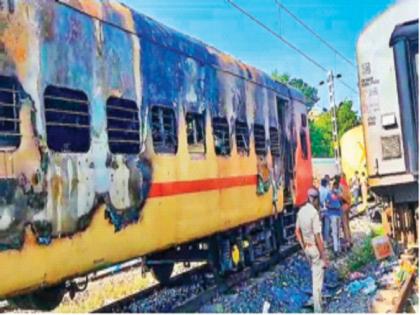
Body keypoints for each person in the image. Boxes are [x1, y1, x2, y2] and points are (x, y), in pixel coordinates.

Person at [295, 187, 329, 313]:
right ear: (314, 200)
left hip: (308, 249)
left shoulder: (301, 211)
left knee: (315, 276)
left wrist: (304, 246)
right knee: (317, 283)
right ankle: (318, 310)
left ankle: (317, 306)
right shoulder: (314, 214)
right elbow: (318, 237)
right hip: (315, 249)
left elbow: (296, 231)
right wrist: (324, 256)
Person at [325, 181, 342, 254]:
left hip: (337, 214)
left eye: (336, 186)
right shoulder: (329, 195)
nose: (336, 188)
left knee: (338, 232)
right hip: (333, 215)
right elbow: (327, 204)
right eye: (335, 186)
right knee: (335, 233)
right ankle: (336, 249)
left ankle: (338, 248)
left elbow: (340, 202)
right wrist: (334, 207)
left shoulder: (338, 194)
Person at [339, 173, 353, 250]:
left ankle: (347, 241)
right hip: (347, 206)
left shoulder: (341, 186)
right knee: (347, 224)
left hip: (343, 206)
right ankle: (350, 239)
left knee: (344, 225)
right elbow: (349, 196)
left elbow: (341, 196)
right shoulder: (346, 185)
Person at [319, 178, 330, 244]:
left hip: (321, 209)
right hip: (326, 209)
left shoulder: (319, 190)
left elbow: (319, 200)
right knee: (327, 224)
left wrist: (321, 206)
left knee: (322, 224)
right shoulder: (326, 190)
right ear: (325, 183)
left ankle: (322, 237)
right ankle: (326, 238)